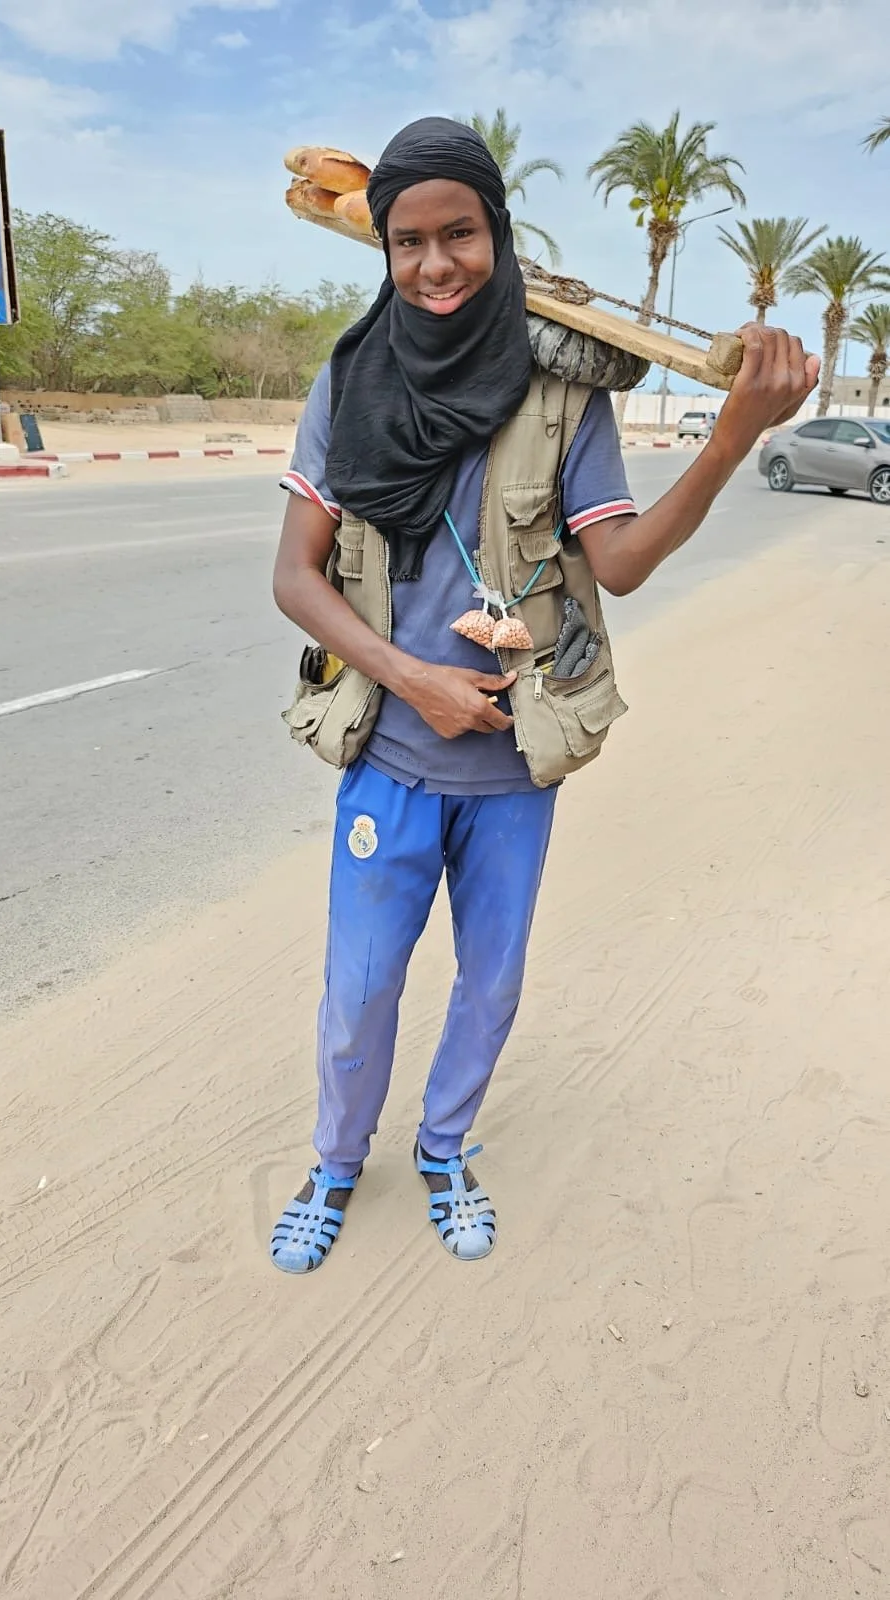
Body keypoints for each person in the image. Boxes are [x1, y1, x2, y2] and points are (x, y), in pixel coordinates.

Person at [270, 116, 818, 1274]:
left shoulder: (565, 391)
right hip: (389, 760)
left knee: (491, 983)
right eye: (408, 240)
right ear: (385, 248)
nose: (435, 263)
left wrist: (728, 440)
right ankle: (334, 1162)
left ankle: (443, 1149)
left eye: (460, 234)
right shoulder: (350, 379)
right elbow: (294, 578)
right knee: (360, 989)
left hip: (512, 770)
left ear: (499, 235)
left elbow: (618, 564)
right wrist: (414, 679)